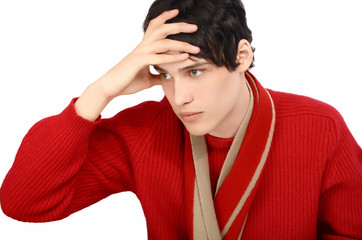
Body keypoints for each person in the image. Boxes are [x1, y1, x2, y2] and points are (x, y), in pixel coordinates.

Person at [0, 0, 361, 239]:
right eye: (166, 75)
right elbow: (24, 202)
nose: (179, 97)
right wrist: (100, 91)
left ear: (242, 56)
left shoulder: (319, 126)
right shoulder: (144, 131)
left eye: (195, 72)